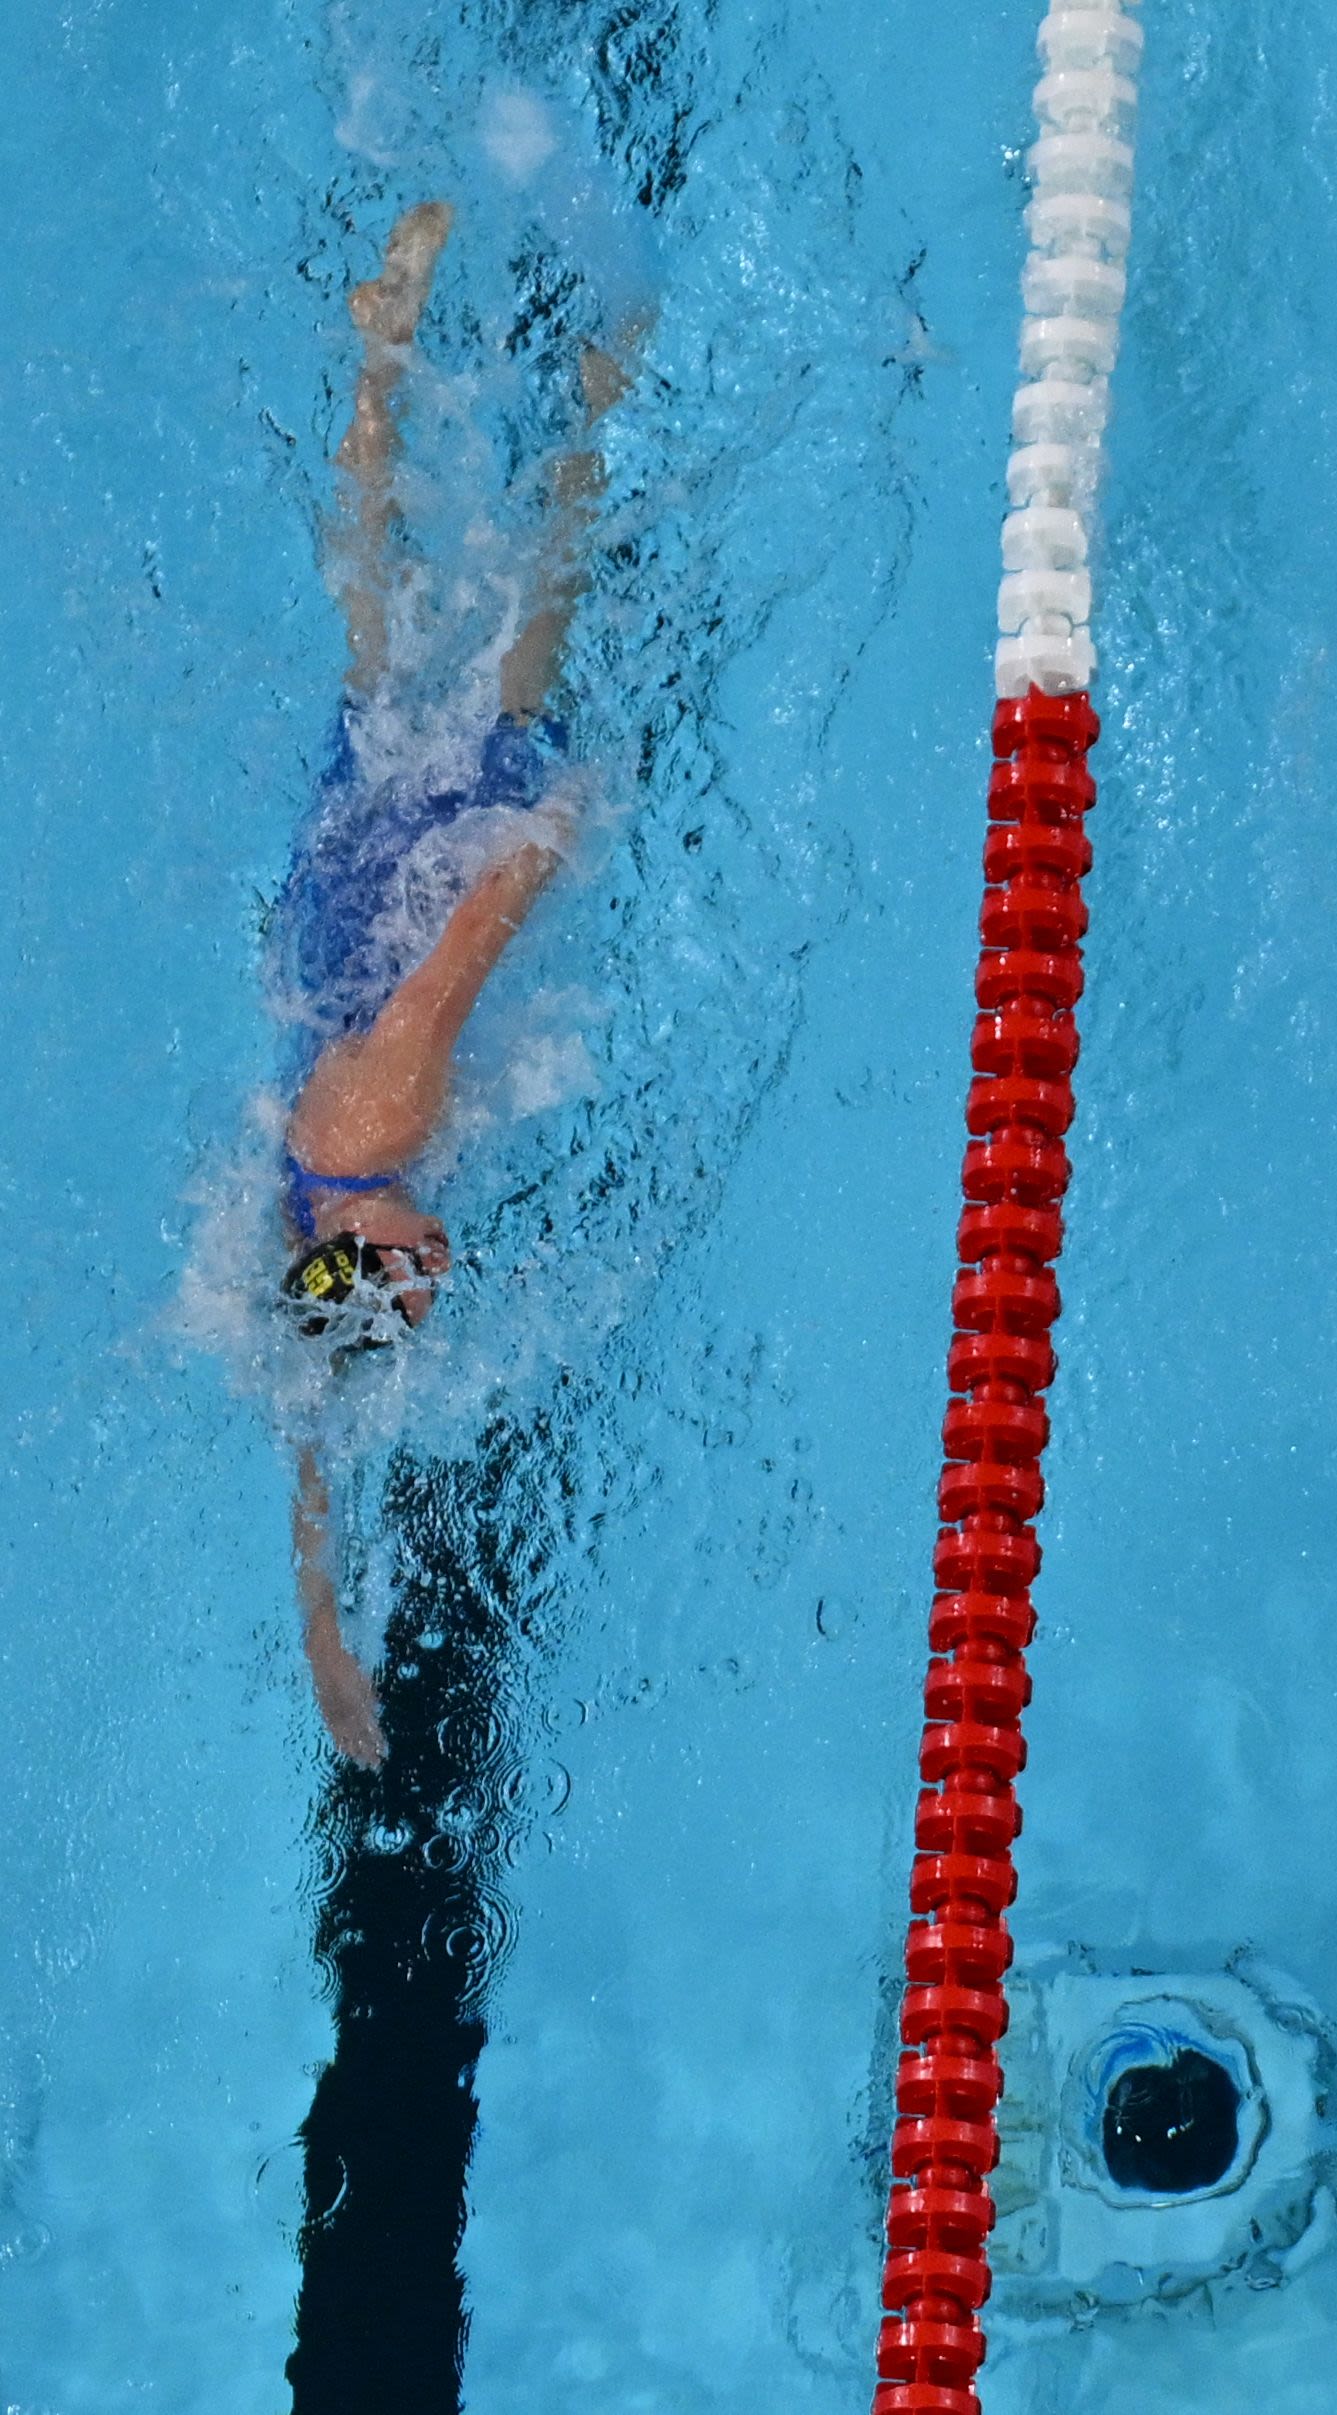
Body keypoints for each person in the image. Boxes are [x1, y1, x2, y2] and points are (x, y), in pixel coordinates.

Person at [273, 202, 635, 1764]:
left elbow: (459, 963)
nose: (435, 1279)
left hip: (435, 854)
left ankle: (599, 386)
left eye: (410, 1285)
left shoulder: (386, 1125)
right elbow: (305, 1434)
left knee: (537, 599)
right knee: (374, 628)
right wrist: (325, 1638)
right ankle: (378, 356)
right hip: (346, 882)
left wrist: (556, 835)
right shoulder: (308, 1216)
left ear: (362, 1252)